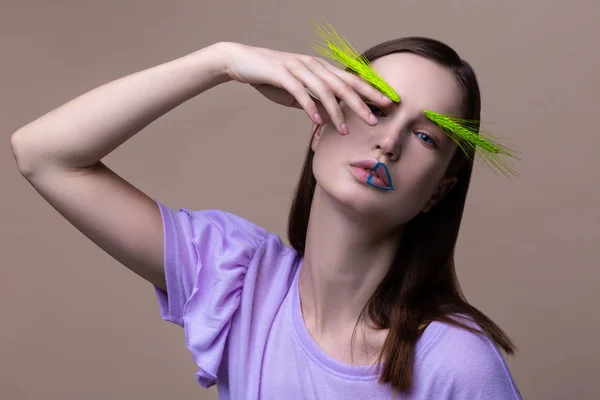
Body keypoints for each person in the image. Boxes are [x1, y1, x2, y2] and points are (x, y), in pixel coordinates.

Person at [10, 37, 522, 399]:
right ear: (319, 125)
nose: (389, 142)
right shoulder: (239, 280)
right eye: (374, 107)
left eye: (426, 136)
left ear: (440, 192)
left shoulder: (456, 363)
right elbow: (43, 154)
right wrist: (221, 61)